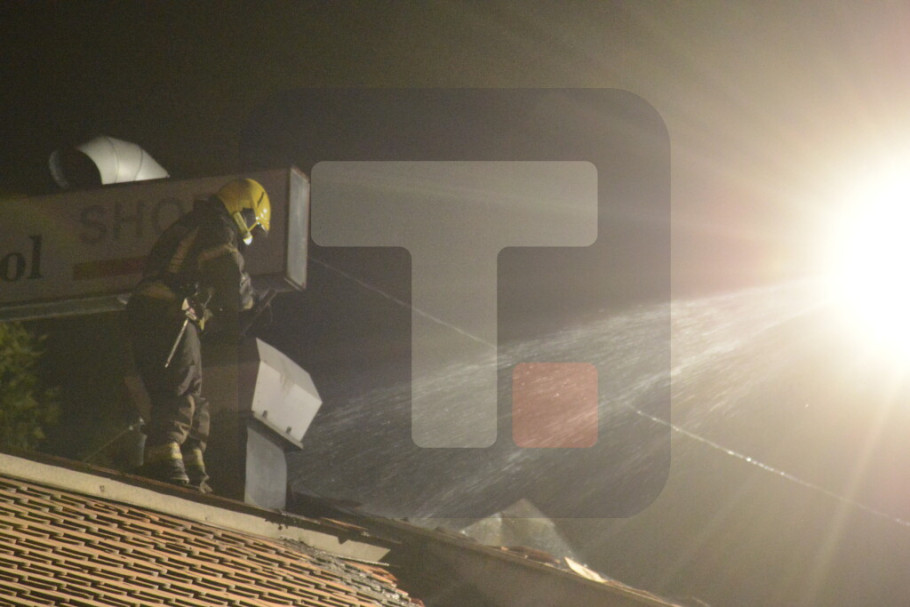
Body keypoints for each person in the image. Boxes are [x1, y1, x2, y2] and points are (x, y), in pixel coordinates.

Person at [126, 178, 271, 491]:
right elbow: (231, 280)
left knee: (191, 393)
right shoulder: (217, 227)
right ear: (243, 209)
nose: (249, 233)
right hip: (171, 314)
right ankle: (164, 461)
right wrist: (250, 302)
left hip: (159, 313)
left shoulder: (197, 223)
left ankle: (191, 465)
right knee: (179, 387)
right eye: (252, 224)